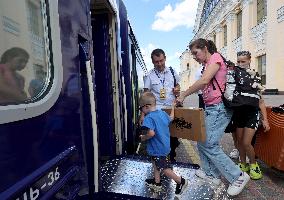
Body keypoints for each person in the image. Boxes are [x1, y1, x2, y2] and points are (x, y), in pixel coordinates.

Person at [177, 38, 250, 196]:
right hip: (211, 108)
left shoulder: (215, 58)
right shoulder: (206, 64)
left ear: (204, 48)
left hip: (219, 108)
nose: (195, 57)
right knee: (202, 140)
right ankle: (212, 175)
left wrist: (184, 94)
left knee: (210, 144)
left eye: (196, 53)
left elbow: (204, 81)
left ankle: (238, 176)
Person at [139, 92, 188, 196]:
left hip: (158, 149)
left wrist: (143, 138)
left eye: (141, 108)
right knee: (155, 163)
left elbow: (151, 133)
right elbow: (171, 118)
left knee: (165, 169)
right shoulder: (162, 113)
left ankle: (180, 181)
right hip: (164, 146)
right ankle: (157, 183)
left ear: (146, 106)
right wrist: (173, 107)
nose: (141, 111)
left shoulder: (148, 118)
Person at [232, 51, 270, 180]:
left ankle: (253, 164)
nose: (241, 64)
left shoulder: (256, 76)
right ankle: (243, 164)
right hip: (238, 113)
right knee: (239, 142)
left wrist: (265, 120)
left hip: (252, 113)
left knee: (247, 142)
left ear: (249, 61)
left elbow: (261, 101)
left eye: (243, 61)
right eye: (239, 61)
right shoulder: (235, 75)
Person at [142, 48, 181, 162]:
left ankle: (172, 159)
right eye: (156, 62)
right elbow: (146, 94)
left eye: (161, 61)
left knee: (173, 136)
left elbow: (178, 85)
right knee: (159, 137)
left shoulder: (173, 72)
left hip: (171, 108)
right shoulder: (149, 75)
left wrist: (177, 89)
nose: (159, 64)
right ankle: (159, 161)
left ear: (165, 58)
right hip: (156, 112)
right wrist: (142, 114)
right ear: (153, 62)